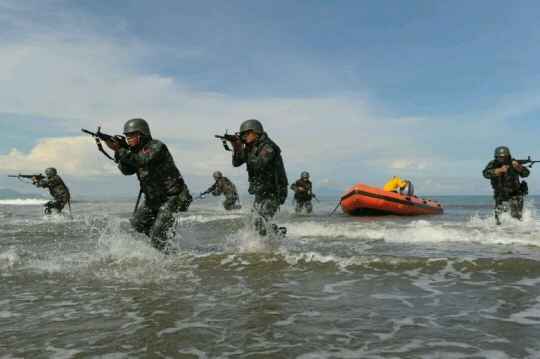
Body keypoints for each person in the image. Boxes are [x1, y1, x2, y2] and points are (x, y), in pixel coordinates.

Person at [105, 118, 192, 251]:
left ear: (142, 134)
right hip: (152, 199)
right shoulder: (135, 152)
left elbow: (142, 160)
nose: (128, 138)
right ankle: (166, 244)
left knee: (158, 233)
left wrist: (120, 150)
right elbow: (127, 171)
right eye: (126, 136)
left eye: (131, 135)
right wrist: (119, 151)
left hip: (171, 197)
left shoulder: (156, 146)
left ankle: (167, 254)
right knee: (137, 224)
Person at [230, 119, 288, 236]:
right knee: (255, 220)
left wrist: (241, 149)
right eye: (243, 134)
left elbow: (259, 163)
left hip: (275, 190)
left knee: (260, 220)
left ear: (257, 132)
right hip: (262, 189)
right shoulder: (251, 147)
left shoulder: (268, 146)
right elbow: (236, 163)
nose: (244, 136)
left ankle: (266, 249)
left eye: (247, 132)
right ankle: (277, 234)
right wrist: (237, 149)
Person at [482, 146, 530, 225]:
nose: (502, 158)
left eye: (504, 157)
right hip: (500, 195)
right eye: (499, 157)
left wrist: (518, 167)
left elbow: (526, 174)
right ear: (496, 157)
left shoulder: (514, 163)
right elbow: (485, 174)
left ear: (508, 156)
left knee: (517, 219)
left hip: (515, 194)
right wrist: (499, 170)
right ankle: (502, 235)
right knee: (499, 219)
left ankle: (517, 235)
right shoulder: (493, 164)